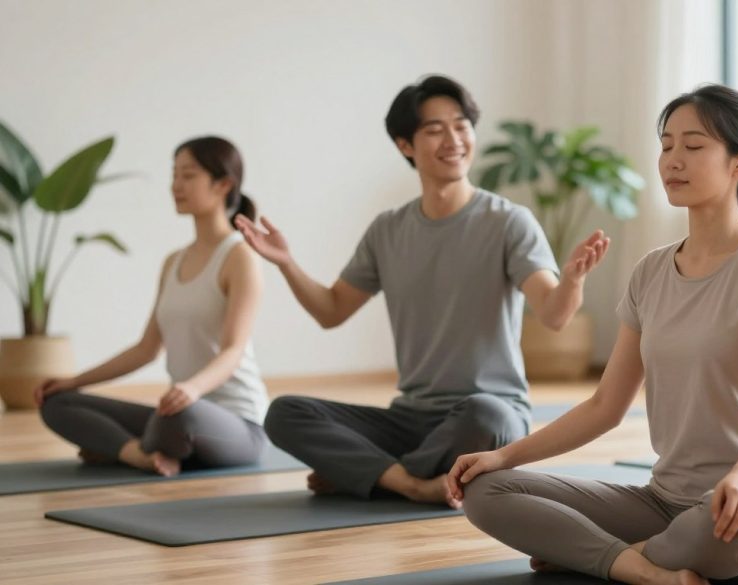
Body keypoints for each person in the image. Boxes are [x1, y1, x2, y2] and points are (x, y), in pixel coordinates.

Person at [448, 84, 738, 585]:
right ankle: (639, 568)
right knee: (486, 490)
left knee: (721, 529)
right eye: (666, 146)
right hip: (662, 503)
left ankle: (600, 556)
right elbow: (605, 407)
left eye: (693, 146)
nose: (673, 161)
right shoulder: (651, 272)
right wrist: (503, 455)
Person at [235, 75, 609, 506]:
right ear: (405, 145)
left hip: (484, 413)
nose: (453, 139)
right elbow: (331, 310)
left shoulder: (508, 222)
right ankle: (414, 482)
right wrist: (286, 263)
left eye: (461, 125)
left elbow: (555, 314)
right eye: (434, 129)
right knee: (284, 412)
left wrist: (574, 280)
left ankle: (373, 473)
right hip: (410, 418)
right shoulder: (387, 230)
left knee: (487, 417)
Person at [36, 136, 268, 477]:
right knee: (57, 405)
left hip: (236, 422)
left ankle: (118, 446)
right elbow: (146, 349)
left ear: (223, 184)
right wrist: (73, 381)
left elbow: (232, 351)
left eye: (188, 176)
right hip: (176, 410)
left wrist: (191, 389)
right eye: (173, 175)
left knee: (175, 417)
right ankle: (137, 453)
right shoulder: (173, 261)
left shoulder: (240, 257)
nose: (176, 185)